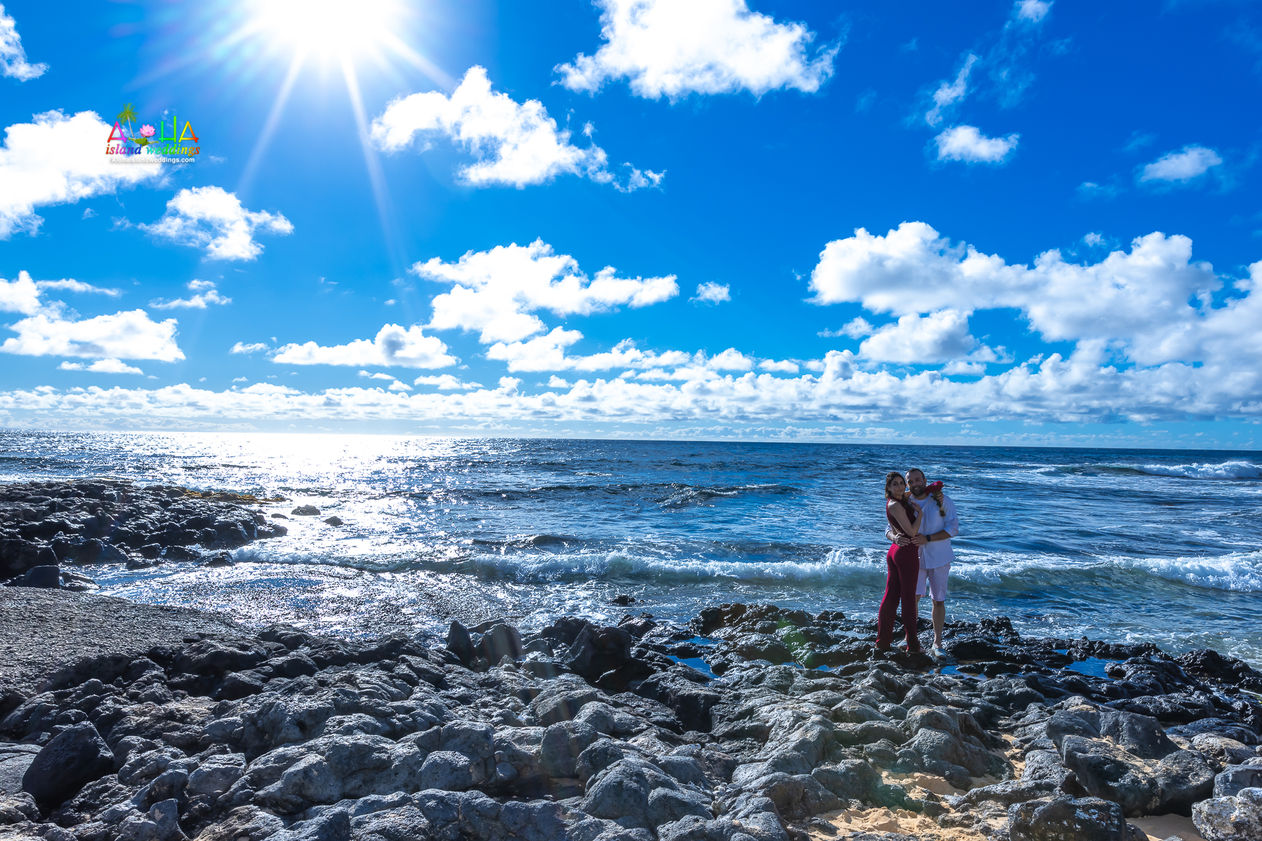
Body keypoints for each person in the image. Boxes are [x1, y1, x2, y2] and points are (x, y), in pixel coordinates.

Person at [888, 468, 959, 657]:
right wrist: (894, 538)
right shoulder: (905, 501)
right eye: (910, 481)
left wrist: (928, 538)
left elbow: (953, 529)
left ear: (925, 480)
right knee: (912, 599)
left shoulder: (941, 501)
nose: (915, 483)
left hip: (940, 557)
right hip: (913, 558)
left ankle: (937, 643)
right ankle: (909, 637)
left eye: (918, 480)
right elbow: (888, 528)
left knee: (938, 600)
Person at [877, 471, 924, 652]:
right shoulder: (895, 504)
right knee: (908, 600)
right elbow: (912, 532)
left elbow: (917, 490)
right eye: (894, 484)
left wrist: (936, 491)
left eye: (901, 483)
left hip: (896, 551)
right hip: (906, 554)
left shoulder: (899, 499)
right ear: (888, 488)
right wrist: (919, 513)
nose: (899, 486)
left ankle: (882, 643)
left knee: (891, 598)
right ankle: (913, 645)